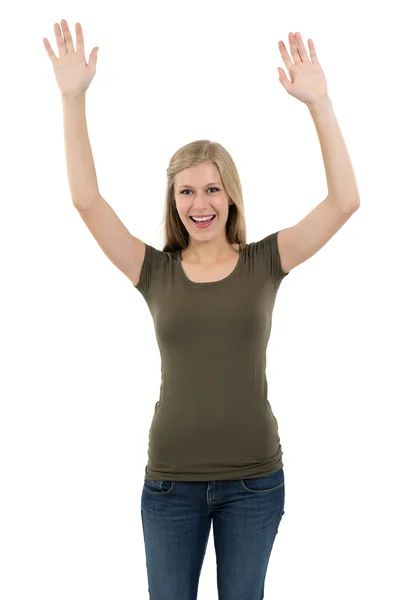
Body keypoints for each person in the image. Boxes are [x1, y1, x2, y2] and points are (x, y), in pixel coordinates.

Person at [44, 20, 360, 600]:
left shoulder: (267, 261)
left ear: (230, 194)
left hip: (254, 483)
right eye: (186, 191)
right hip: (171, 486)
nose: (200, 203)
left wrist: (320, 102)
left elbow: (345, 202)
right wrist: (73, 98)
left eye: (212, 189)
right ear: (174, 201)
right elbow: (86, 200)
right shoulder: (154, 270)